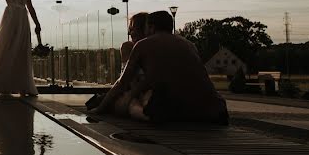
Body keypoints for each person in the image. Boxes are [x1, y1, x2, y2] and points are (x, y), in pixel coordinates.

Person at [95, 11, 228, 124]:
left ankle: (147, 115)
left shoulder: (143, 44)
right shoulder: (189, 45)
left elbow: (122, 83)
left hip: (180, 108)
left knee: (124, 103)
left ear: (151, 27)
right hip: (214, 107)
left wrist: (100, 108)